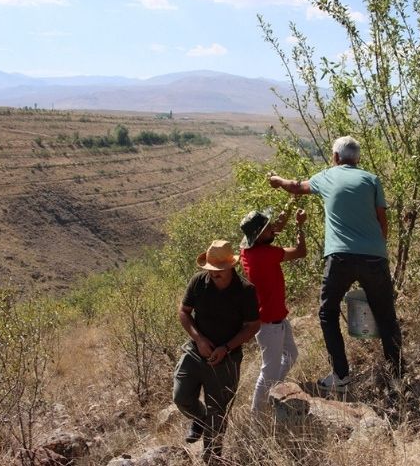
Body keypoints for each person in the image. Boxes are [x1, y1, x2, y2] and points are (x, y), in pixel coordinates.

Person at [269, 136, 403, 392]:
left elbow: (296, 187)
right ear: (358, 159)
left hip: (340, 256)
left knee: (327, 312)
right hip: (374, 256)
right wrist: (378, 250)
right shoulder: (371, 179)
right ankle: (397, 377)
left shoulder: (327, 176)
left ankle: (341, 375)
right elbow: (382, 220)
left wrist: (277, 181)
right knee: (386, 316)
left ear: (335, 157)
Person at [172, 240, 260, 463]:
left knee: (218, 412)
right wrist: (199, 339)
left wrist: (227, 348)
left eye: (218, 271)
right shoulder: (198, 282)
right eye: (210, 271)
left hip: (227, 359)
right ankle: (199, 420)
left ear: (232, 267)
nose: (213, 275)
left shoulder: (246, 290)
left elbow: (253, 325)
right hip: (196, 351)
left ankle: (212, 458)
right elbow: (183, 312)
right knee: (181, 397)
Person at [239, 207, 307, 412]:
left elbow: (272, 231)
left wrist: (286, 213)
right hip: (270, 323)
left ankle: (272, 392)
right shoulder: (267, 254)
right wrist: (300, 226)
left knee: (291, 355)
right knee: (268, 371)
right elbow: (301, 252)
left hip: (274, 319)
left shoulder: (248, 251)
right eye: (268, 228)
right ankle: (257, 416)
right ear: (260, 236)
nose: (273, 230)